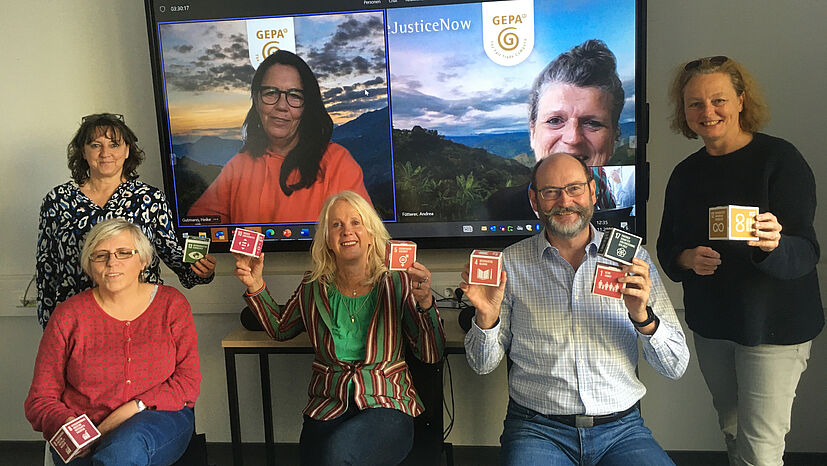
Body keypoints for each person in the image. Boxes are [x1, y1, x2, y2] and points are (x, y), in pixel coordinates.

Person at [465, 153, 689, 465]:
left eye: (574, 189)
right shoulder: (510, 264)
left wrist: (643, 317)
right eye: (550, 191)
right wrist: (486, 320)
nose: (564, 201)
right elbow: (481, 365)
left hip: (622, 430)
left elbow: (675, 365)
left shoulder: (631, 258)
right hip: (537, 428)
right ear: (534, 199)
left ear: (593, 192)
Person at [657, 56, 822, 466]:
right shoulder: (685, 173)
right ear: (684, 111)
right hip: (713, 325)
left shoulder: (780, 160)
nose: (707, 112)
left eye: (718, 100)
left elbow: (807, 252)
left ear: (742, 100)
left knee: (761, 452)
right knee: (732, 432)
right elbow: (666, 246)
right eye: (695, 103)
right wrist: (685, 257)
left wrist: (774, 246)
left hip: (775, 327)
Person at [233, 190, 445, 465]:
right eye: (337, 225)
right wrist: (255, 286)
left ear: (371, 233)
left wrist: (426, 302)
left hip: (385, 403)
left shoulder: (399, 281)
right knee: (322, 456)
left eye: (356, 223)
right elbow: (281, 328)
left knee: (337, 455)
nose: (347, 231)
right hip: (327, 405)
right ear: (328, 240)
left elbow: (431, 353)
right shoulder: (313, 285)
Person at [25, 218, 201, 465]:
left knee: (122, 452)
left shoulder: (172, 304)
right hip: (82, 429)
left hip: (158, 417)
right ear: (89, 265)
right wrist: (68, 425)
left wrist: (126, 412)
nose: (112, 262)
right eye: (101, 255)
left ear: (143, 261)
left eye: (124, 253)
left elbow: (188, 383)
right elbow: (40, 399)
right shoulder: (67, 315)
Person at [36, 113, 216, 329]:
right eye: (95, 145)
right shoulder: (57, 201)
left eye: (114, 144)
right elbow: (46, 268)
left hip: (139, 320)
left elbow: (177, 259)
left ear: (127, 150)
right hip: (78, 323)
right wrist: (50, 327)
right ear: (83, 152)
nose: (105, 153)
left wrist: (201, 270)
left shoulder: (150, 199)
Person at [187, 50, 372, 224]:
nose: (282, 106)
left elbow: (366, 236)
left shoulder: (337, 164)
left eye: (294, 96)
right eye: (271, 93)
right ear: (257, 100)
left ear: (307, 106)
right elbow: (198, 226)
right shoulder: (239, 165)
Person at [487, 39, 624, 219]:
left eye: (592, 123)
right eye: (554, 120)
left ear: (615, 135)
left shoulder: (624, 205)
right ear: (533, 133)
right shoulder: (498, 209)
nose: (573, 138)